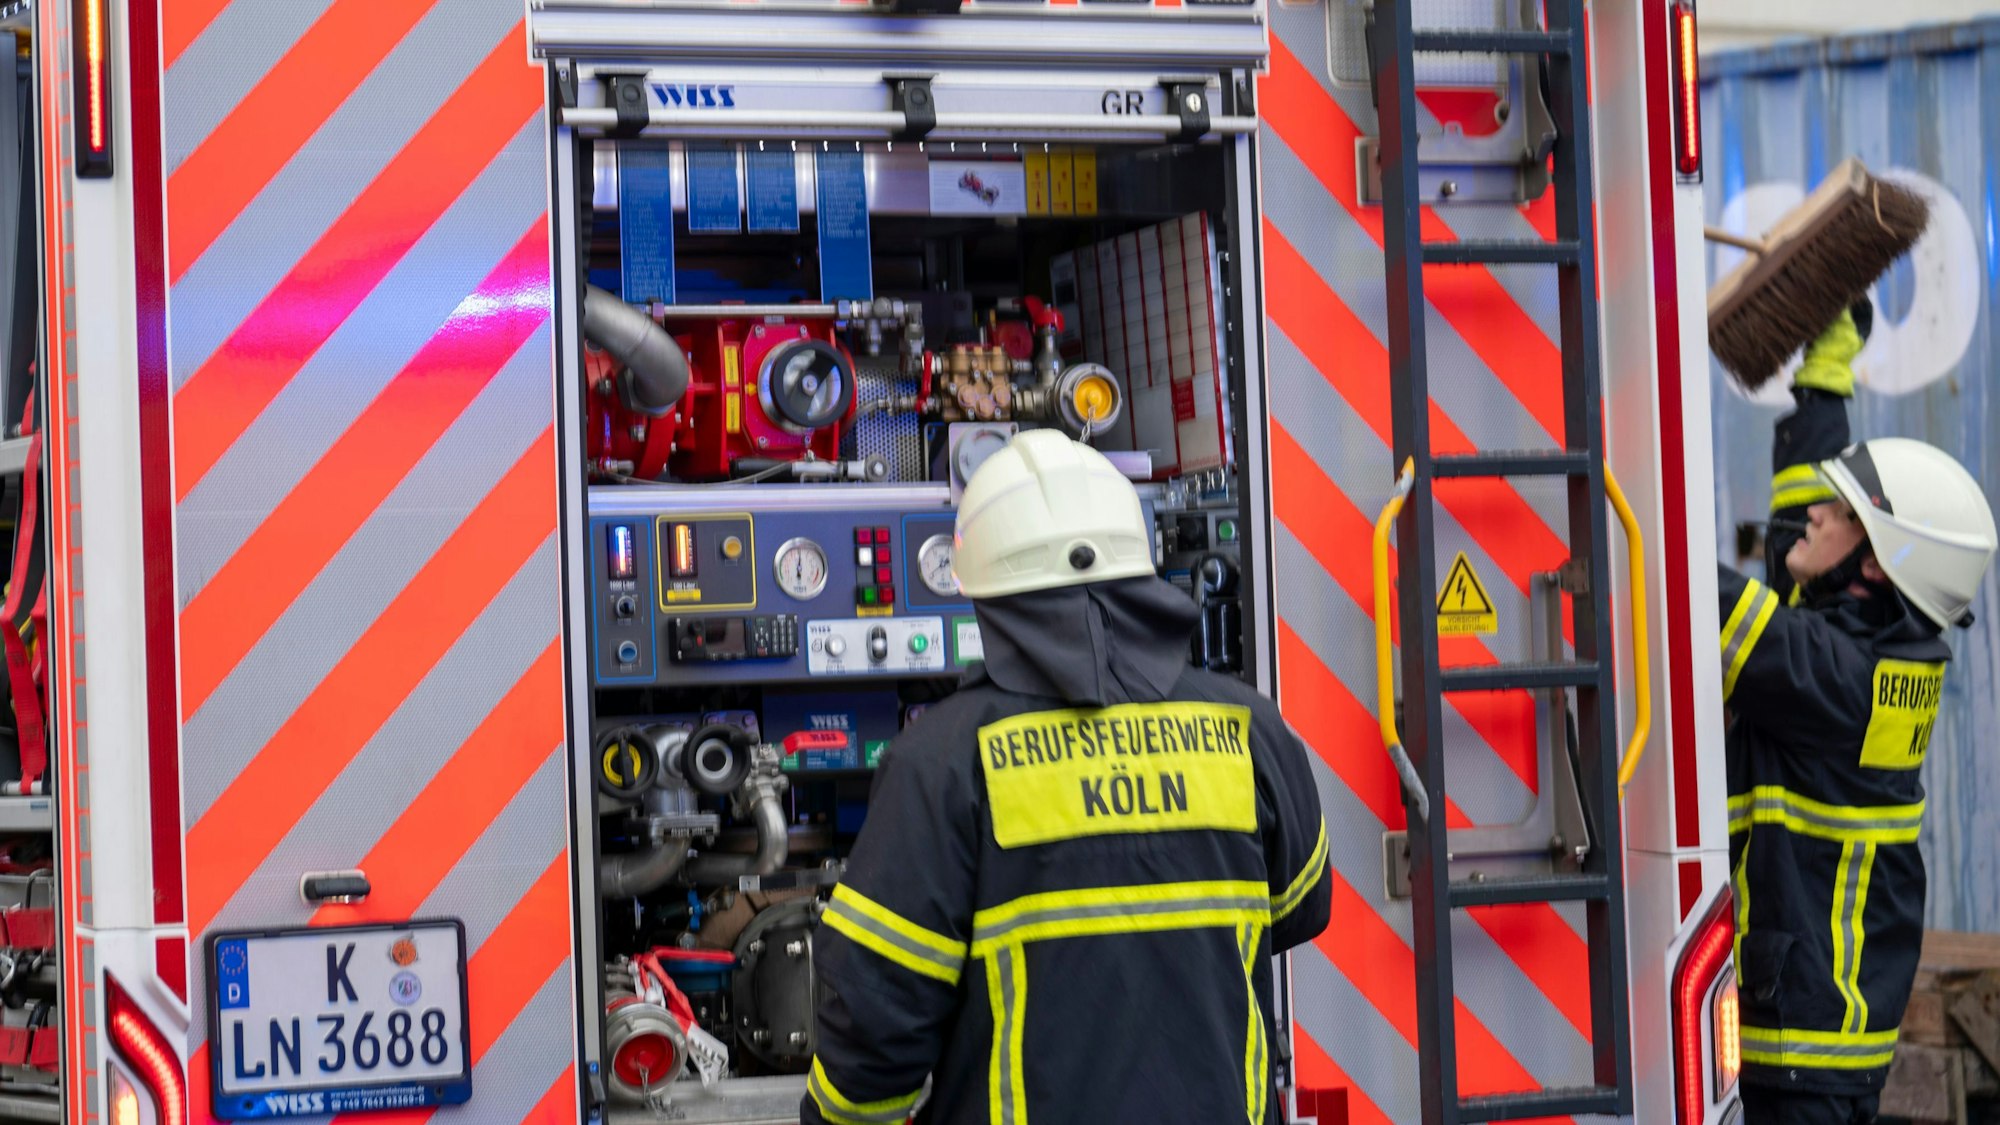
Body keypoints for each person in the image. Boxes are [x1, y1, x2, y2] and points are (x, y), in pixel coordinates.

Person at [801, 430, 1332, 1125]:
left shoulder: (942, 761)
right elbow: (1301, 908)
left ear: (985, 591)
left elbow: (878, 1013)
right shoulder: (1248, 728)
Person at [1719, 303, 1997, 1125]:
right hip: (1814, 1047)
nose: (1813, 514)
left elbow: (1702, 600)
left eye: (1838, 515)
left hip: (1804, 1055)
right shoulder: (1871, 652)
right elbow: (1799, 548)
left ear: (1874, 564)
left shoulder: (1836, 675)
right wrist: (1823, 380)